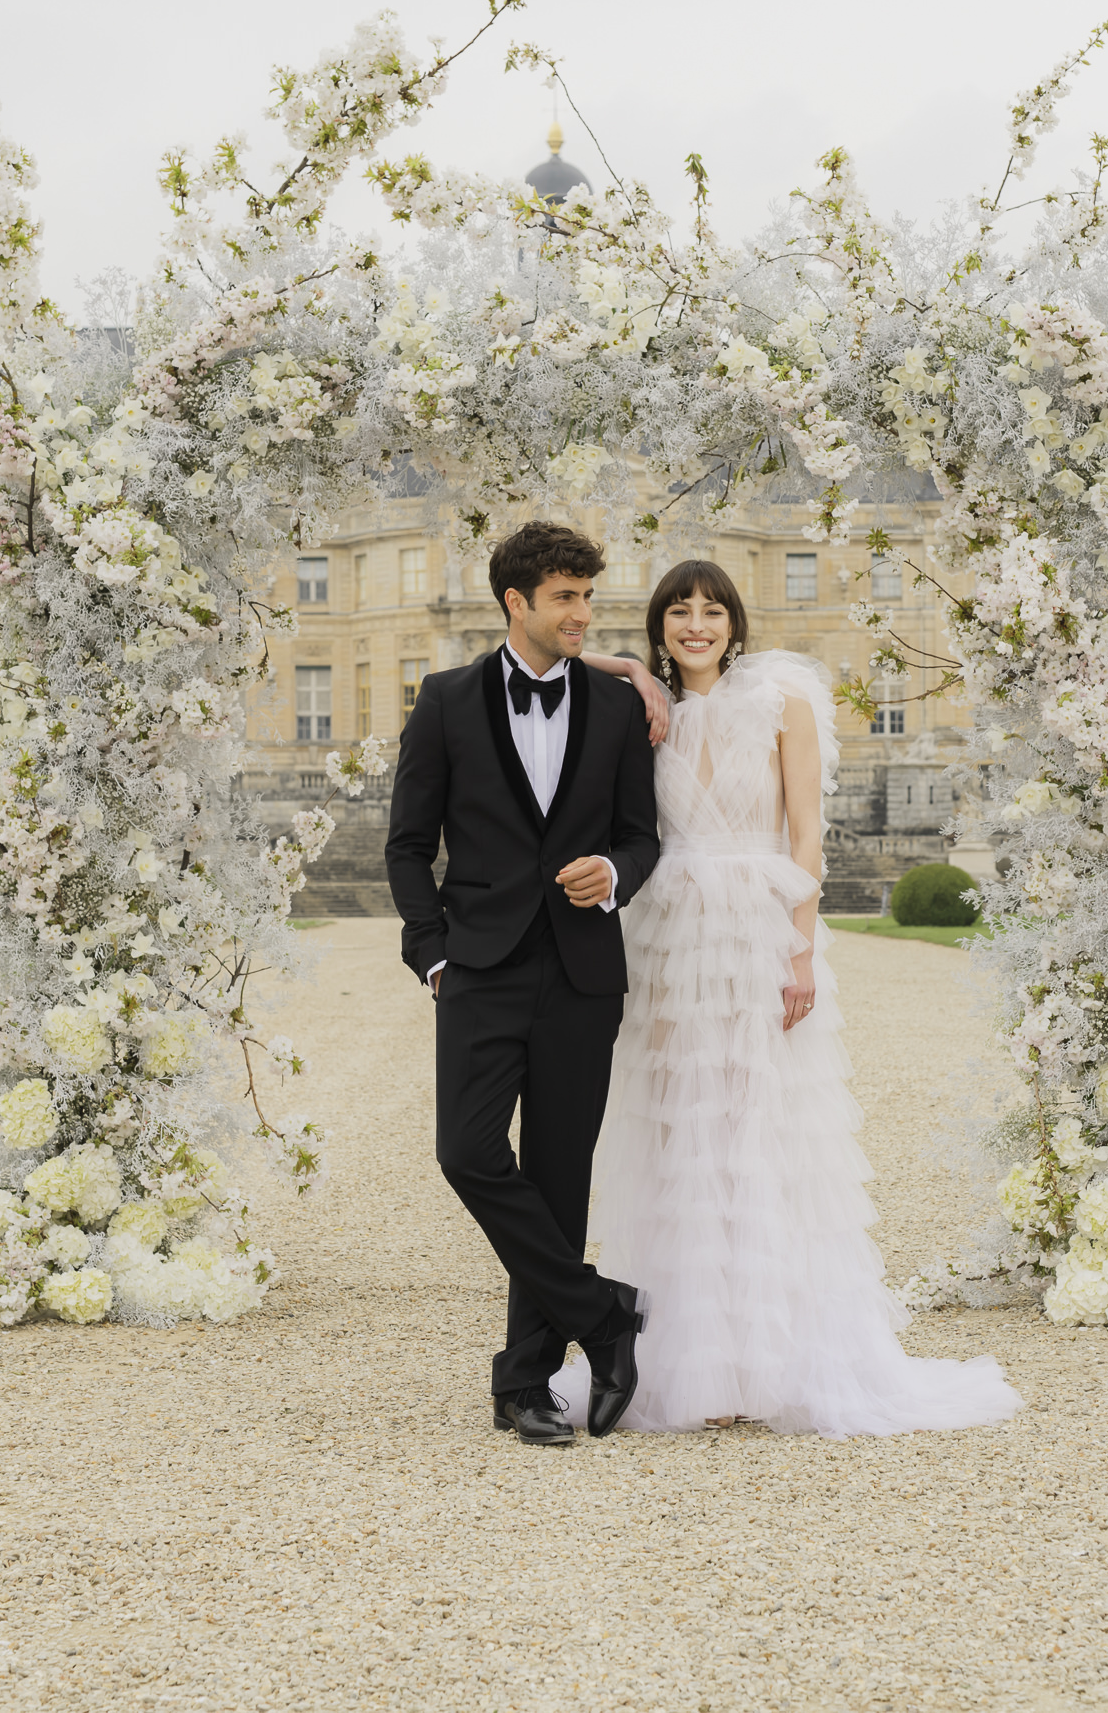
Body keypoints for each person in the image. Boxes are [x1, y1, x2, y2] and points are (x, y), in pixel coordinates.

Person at [565, 559, 1024, 1437]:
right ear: (658, 626)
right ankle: (691, 1358)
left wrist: (802, 952)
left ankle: (772, 1356)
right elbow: (558, 663)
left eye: (711, 611)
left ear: (735, 623)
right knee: (679, 1134)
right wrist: (627, 669)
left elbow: (807, 833)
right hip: (668, 938)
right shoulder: (641, 709)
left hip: (758, 931)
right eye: (677, 613)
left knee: (755, 1132)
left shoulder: (783, 699)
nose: (695, 626)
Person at [384, 520, 669, 1446]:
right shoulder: (445, 699)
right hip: (479, 967)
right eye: (566, 597)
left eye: (589, 595)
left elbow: (641, 836)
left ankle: (525, 1384)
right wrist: (430, 950)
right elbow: (406, 844)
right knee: (466, 1152)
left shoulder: (618, 708)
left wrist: (615, 875)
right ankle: (604, 1313)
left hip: (585, 970)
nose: (584, 613)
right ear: (518, 602)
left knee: (558, 1178)